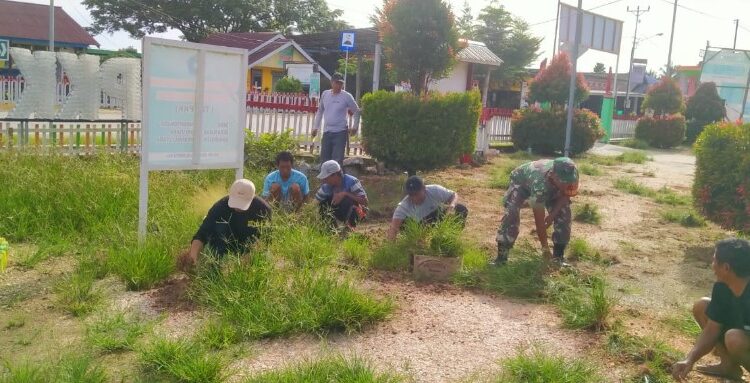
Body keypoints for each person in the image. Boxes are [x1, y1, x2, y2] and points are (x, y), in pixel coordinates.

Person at [672, 238, 750, 381]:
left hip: (742, 337)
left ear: (726, 268)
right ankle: (728, 366)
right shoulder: (723, 287)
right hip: (744, 331)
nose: (712, 265)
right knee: (702, 306)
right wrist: (690, 359)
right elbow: (712, 329)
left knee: (734, 338)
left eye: (714, 261)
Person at [494, 157, 579, 266]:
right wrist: (545, 248)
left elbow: (566, 193)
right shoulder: (540, 184)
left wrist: (552, 216)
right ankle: (501, 258)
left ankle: (558, 257)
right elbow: (539, 223)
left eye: (568, 181)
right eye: (563, 181)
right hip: (521, 181)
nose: (566, 184)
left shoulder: (572, 173)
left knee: (564, 213)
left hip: (549, 185)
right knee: (512, 212)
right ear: (553, 175)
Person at [185, 179, 272, 267]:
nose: (238, 208)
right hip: (224, 243)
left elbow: (265, 241)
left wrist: (242, 263)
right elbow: (202, 234)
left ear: (252, 197)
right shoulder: (220, 207)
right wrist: (193, 258)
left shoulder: (263, 210)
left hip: (249, 247)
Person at [387, 176, 468, 240]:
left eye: (417, 194)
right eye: (411, 195)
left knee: (461, 209)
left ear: (424, 189)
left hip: (436, 217)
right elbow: (393, 228)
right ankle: (417, 243)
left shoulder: (434, 190)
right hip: (419, 226)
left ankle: (449, 240)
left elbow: (454, 195)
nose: (414, 198)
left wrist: (452, 206)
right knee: (404, 224)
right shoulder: (403, 206)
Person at [312, 72, 361, 166]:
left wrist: (355, 127)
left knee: (337, 162)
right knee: (324, 161)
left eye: (341, 83)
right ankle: (325, 180)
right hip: (327, 132)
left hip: (340, 132)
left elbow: (356, 111)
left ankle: (338, 180)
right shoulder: (325, 94)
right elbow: (320, 111)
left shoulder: (346, 96)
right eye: (337, 83)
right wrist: (315, 127)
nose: (339, 85)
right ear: (332, 83)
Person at [315, 160, 368, 229]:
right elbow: (315, 203)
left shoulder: (351, 181)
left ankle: (350, 228)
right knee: (323, 203)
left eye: (326, 178)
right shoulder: (326, 187)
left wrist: (345, 194)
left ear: (336, 175)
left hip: (356, 212)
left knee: (347, 200)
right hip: (339, 213)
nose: (324, 180)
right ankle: (330, 229)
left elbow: (365, 201)